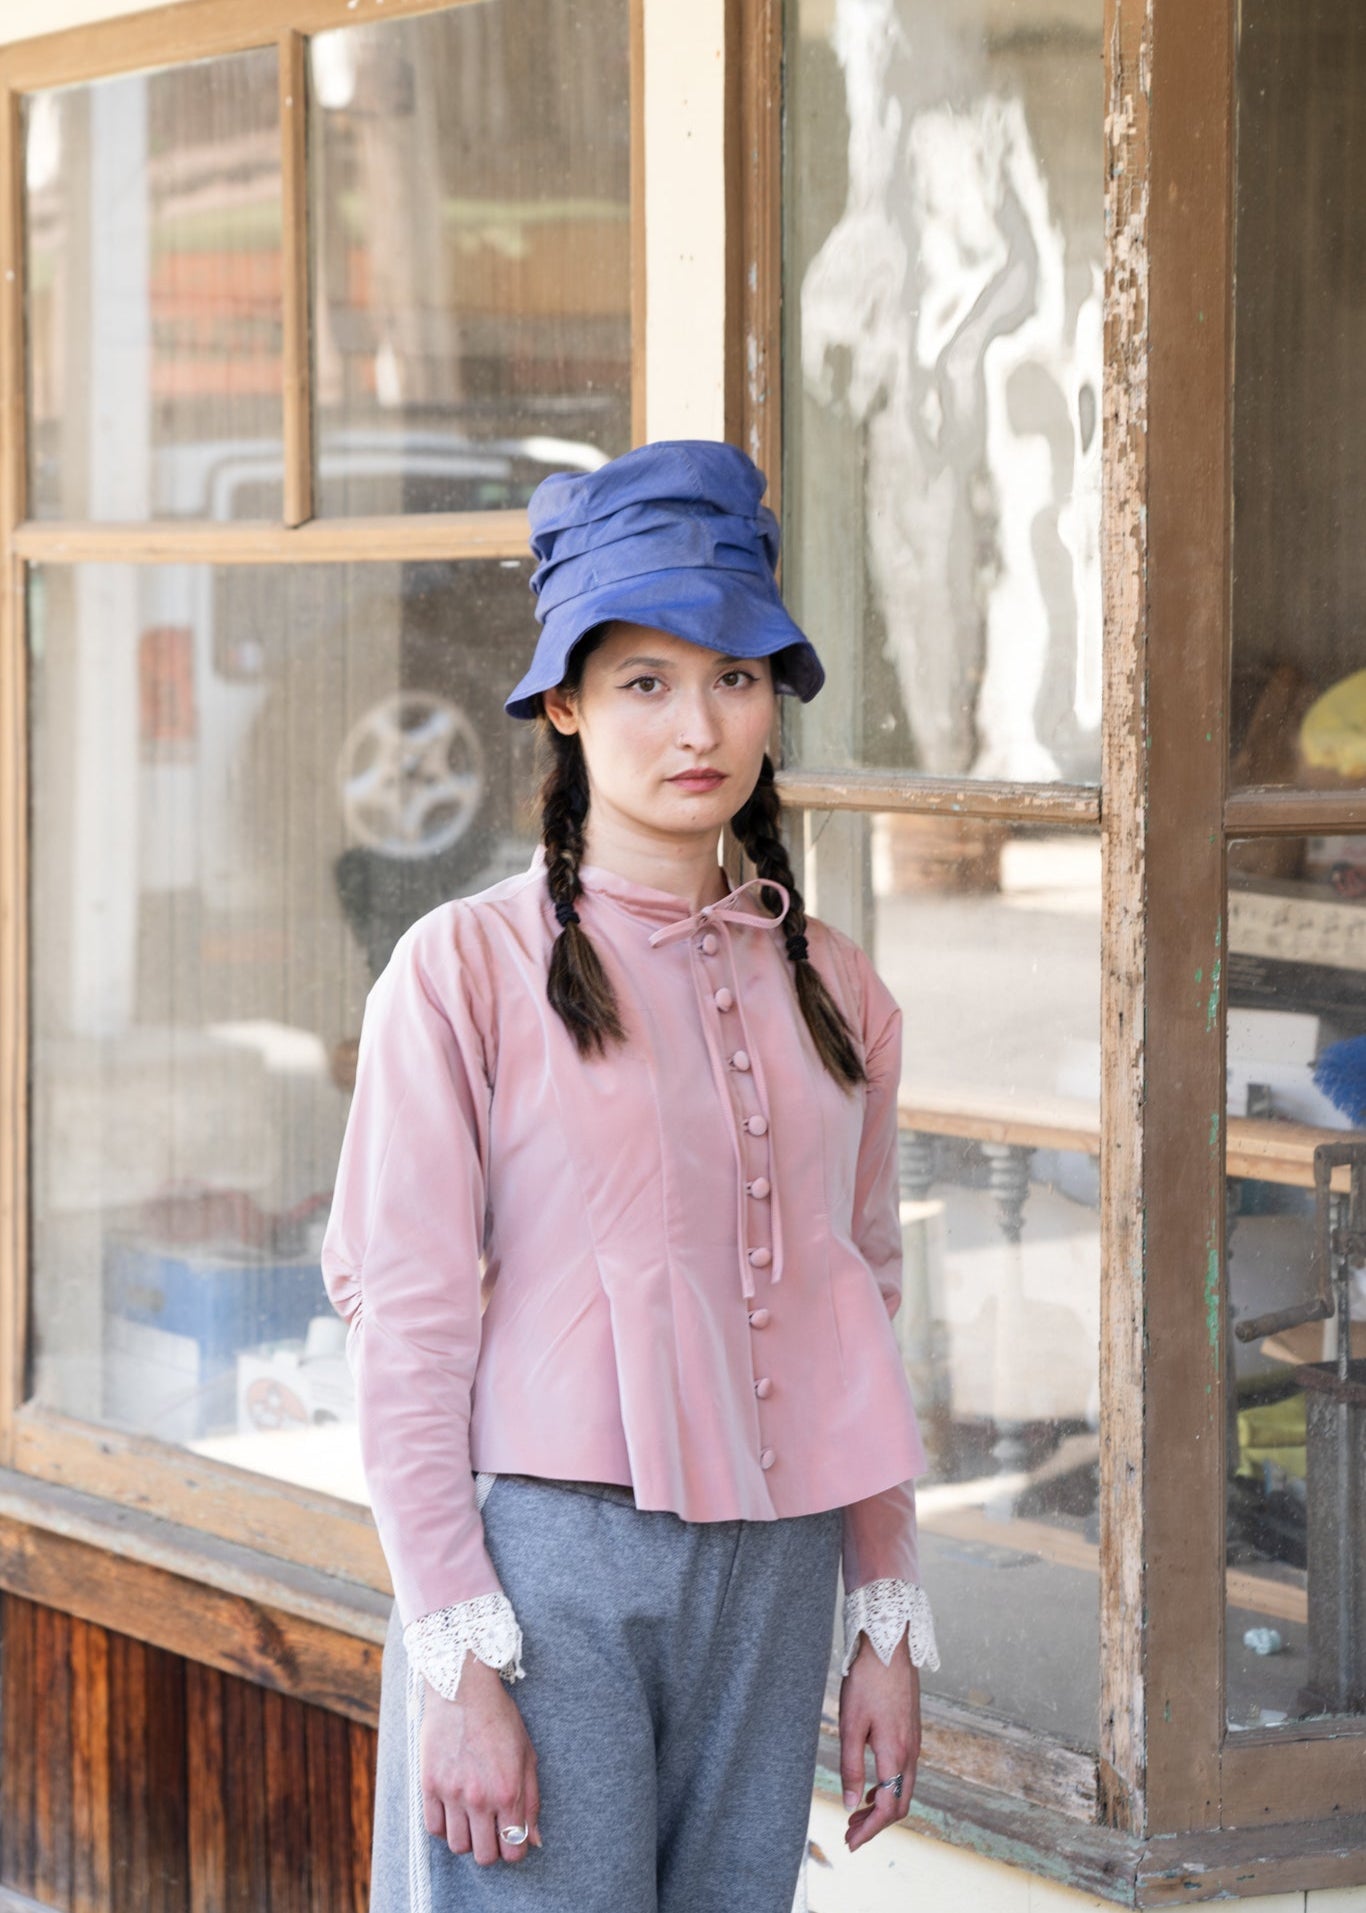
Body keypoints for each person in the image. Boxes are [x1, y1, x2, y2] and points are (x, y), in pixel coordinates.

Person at [321, 440, 939, 1912]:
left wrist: (884, 1610)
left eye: (735, 677)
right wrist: (457, 1655)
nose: (698, 725)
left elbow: (860, 1295)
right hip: (545, 1574)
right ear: (564, 703)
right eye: (646, 682)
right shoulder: (462, 969)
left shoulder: (838, 986)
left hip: (778, 1571)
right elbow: (406, 1323)